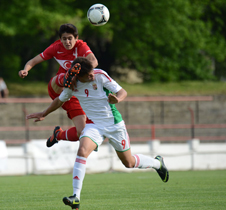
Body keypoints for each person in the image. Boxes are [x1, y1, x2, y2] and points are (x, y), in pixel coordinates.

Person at [26, 57, 169, 210]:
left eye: (91, 72)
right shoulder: (72, 85)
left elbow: (123, 92)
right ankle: (76, 197)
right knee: (82, 150)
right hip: (93, 125)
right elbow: (60, 100)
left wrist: (117, 99)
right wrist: (44, 113)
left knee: (129, 163)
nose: (92, 75)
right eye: (88, 75)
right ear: (78, 77)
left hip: (114, 125)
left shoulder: (100, 75)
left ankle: (157, 163)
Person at [19, 23, 98, 145]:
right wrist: (26, 70)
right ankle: (67, 77)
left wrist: (88, 70)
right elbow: (34, 60)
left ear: (76, 38)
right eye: (64, 39)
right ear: (60, 39)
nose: (67, 42)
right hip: (57, 86)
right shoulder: (56, 47)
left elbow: (93, 61)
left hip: (73, 93)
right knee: (66, 77)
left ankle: (58, 135)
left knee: (82, 133)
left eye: (70, 38)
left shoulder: (81, 46)